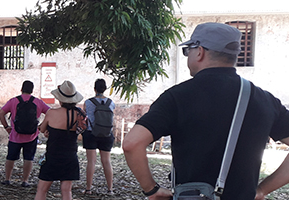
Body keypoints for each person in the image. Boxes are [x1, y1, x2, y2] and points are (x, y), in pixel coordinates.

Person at [122, 22, 289, 200]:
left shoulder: (177, 97)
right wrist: (262, 189)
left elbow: (132, 144)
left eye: (188, 50)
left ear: (199, 51)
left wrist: (152, 190)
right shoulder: (265, 100)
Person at [34, 80, 86, 200]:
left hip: (53, 156)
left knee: (42, 190)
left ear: (60, 98)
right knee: (66, 191)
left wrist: (49, 132)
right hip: (70, 156)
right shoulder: (79, 114)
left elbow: (42, 129)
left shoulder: (51, 113)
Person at [0, 80, 50, 187]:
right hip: (32, 136)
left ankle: (7, 179)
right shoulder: (38, 102)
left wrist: (6, 126)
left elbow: (1, 113)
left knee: (10, 158)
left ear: (21, 89)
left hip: (15, 136)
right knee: (28, 158)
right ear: (32, 90)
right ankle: (25, 181)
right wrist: (42, 126)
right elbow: (50, 113)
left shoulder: (13, 101)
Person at [82, 79, 116, 195]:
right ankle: (110, 189)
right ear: (105, 89)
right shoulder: (111, 102)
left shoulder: (88, 102)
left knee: (91, 161)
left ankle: (88, 189)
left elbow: (84, 116)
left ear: (94, 88)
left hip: (91, 133)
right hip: (107, 134)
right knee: (106, 161)